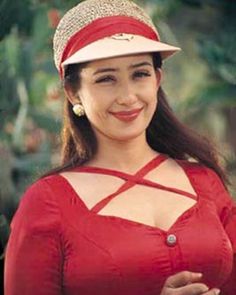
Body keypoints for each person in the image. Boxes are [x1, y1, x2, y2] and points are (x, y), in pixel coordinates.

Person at [4, 0, 236, 294]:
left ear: (157, 80)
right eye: (106, 79)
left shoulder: (205, 182)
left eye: (140, 74)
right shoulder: (46, 204)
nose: (127, 96)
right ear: (73, 92)